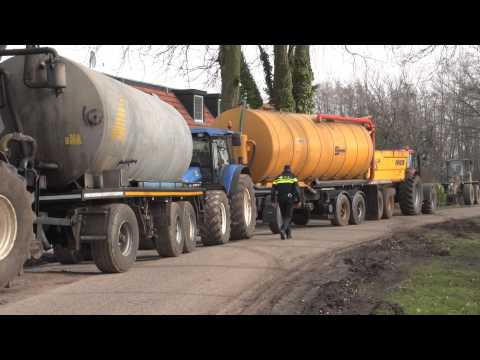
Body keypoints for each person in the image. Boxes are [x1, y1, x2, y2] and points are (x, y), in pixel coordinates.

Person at [271, 165, 301, 240]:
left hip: (280, 199)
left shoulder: (278, 178)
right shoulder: (293, 177)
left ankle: (288, 235)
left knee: (285, 217)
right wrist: (298, 200)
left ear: (283, 170)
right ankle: (283, 229)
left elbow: (273, 190)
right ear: (290, 170)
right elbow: (297, 190)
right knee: (288, 217)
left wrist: (273, 200)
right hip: (289, 199)